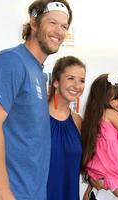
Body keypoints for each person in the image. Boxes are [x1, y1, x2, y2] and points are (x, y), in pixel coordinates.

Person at [0, 0, 72, 199]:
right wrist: (3, 189)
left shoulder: (36, 71)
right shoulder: (10, 62)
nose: (59, 31)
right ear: (34, 23)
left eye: (64, 26)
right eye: (52, 22)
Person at [47, 56, 85, 200]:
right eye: (70, 78)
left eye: (82, 80)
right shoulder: (37, 116)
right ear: (56, 81)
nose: (77, 85)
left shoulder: (77, 121)